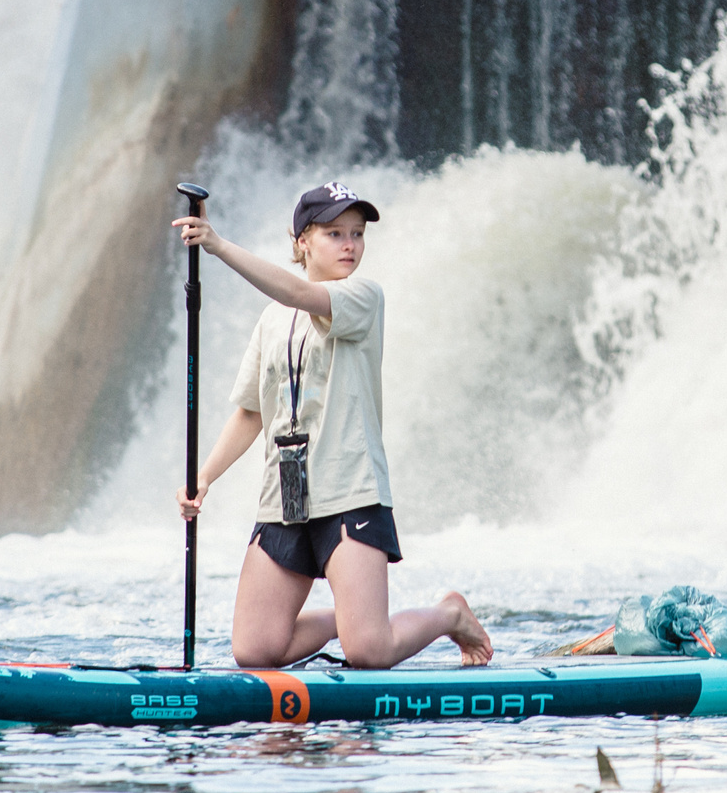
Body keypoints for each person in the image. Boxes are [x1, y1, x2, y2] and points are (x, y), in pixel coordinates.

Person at [174, 182, 491, 670]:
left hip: (349, 491)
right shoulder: (272, 319)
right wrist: (205, 477)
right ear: (302, 241)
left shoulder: (363, 296)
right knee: (256, 651)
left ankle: (448, 613)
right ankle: (351, 618)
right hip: (286, 497)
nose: (350, 245)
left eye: (357, 234)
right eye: (335, 233)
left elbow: (301, 291)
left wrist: (217, 246)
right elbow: (251, 411)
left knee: (369, 651)